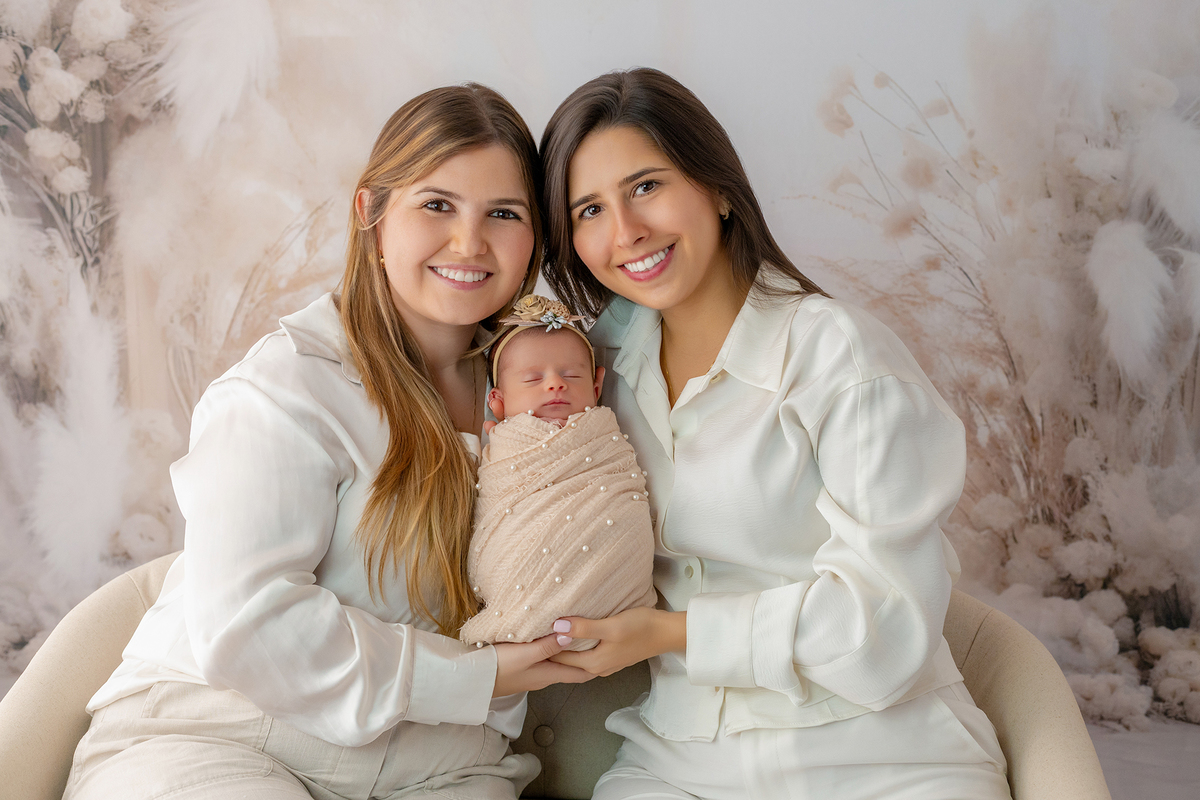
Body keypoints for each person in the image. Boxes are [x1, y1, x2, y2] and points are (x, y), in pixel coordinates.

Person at [63, 84, 593, 800]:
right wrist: (478, 677)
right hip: (226, 737)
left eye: (503, 213)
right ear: (370, 213)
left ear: (535, 238)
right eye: (436, 204)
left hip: (445, 766)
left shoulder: (550, 388)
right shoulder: (286, 387)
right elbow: (251, 625)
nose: (469, 243)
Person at [538, 68, 1013, 800]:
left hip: (880, 754)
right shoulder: (595, 365)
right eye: (589, 209)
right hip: (681, 757)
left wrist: (672, 635)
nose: (625, 232)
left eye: (645, 187)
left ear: (718, 188)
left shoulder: (843, 358)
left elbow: (882, 627)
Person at [459, 294, 656, 651]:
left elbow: (622, 492)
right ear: (499, 403)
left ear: (596, 388)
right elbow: (498, 496)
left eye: (571, 375)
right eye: (533, 379)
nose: (554, 384)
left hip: (617, 569)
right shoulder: (505, 443)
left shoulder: (601, 436)